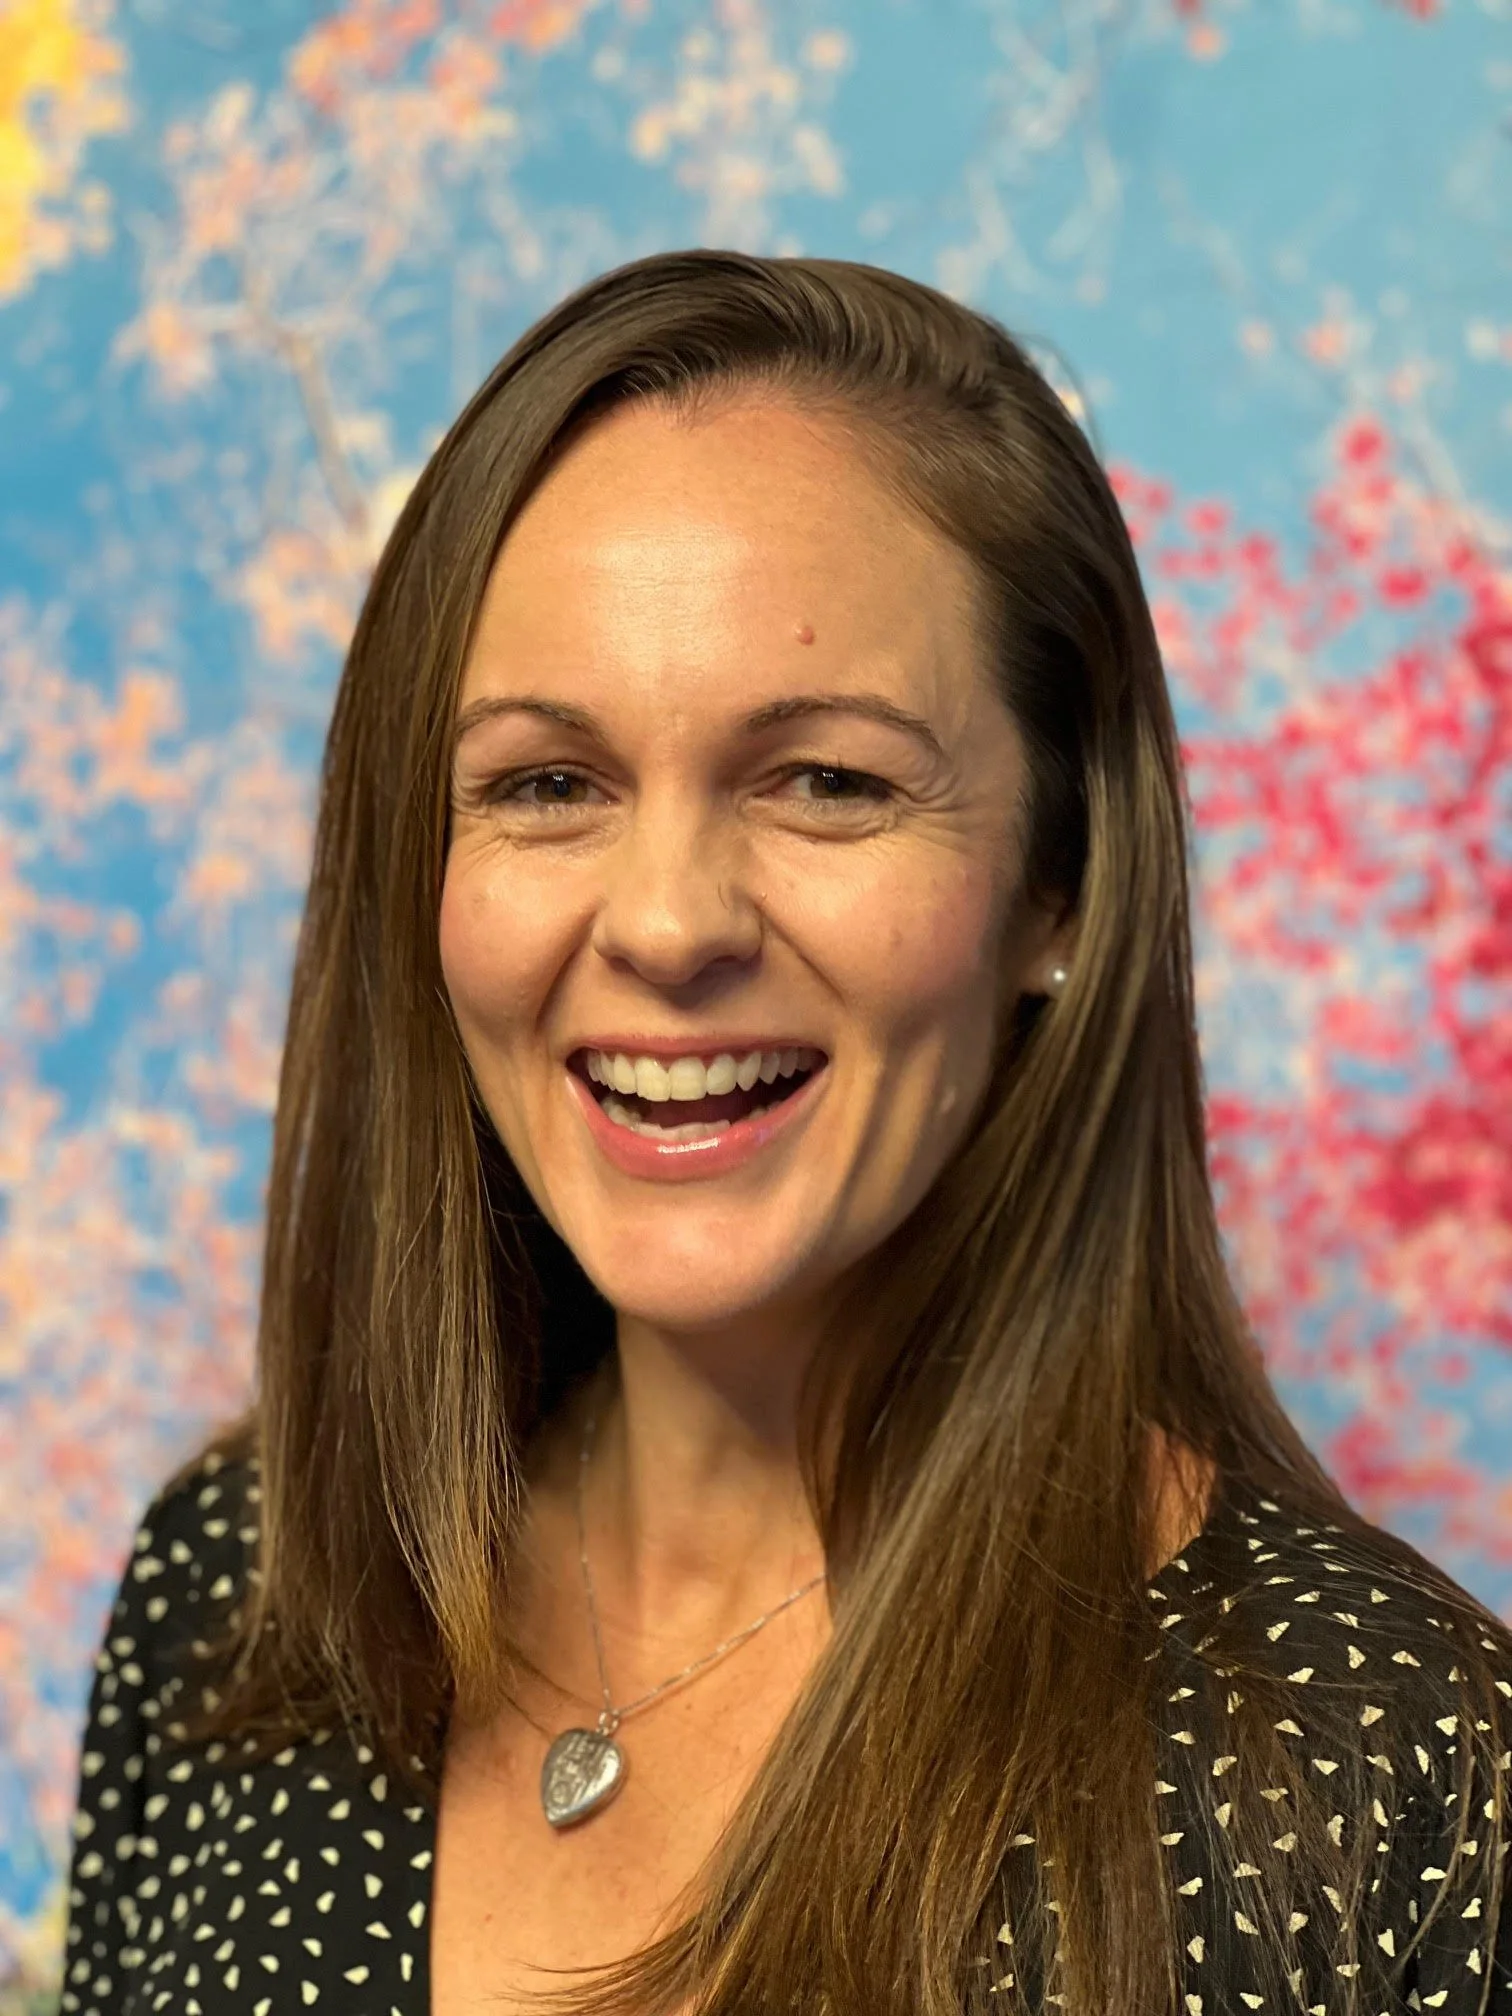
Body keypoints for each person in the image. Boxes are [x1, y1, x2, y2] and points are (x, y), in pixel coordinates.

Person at [59, 248, 1512, 2016]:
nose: (669, 925)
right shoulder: (240, 1584)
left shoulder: (1390, 1772)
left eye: (827, 780)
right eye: (548, 783)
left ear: (1057, 883)